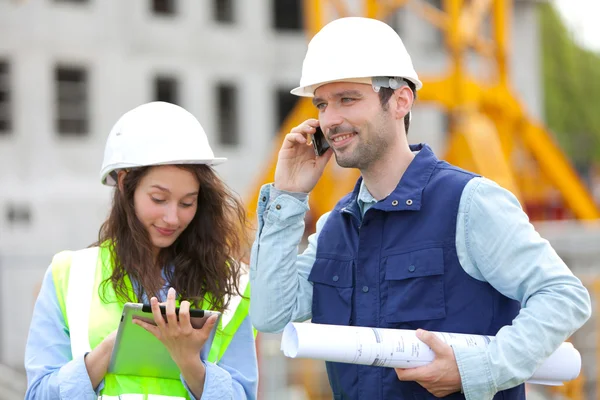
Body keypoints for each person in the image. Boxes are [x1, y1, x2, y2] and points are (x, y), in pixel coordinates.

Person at [249, 17, 591, 400]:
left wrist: (477, 370)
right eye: (322, 104)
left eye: (347, 99)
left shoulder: (468, 202)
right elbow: (269, 314)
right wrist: (288, 197)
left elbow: (563, 296)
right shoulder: (335, 227)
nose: (330, 120)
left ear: (400, 100)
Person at [25, 101, 258, 399]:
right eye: (159, 199)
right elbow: (38, 394)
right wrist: (111, 349)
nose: (173, 218)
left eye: (187, 203)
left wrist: (189, 361)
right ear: (125, 184)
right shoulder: (68, 275)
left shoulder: (234, 282)